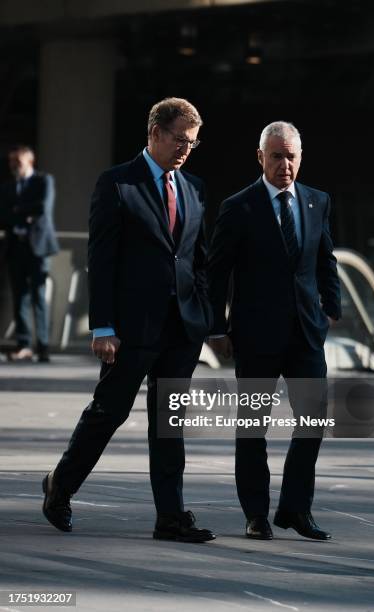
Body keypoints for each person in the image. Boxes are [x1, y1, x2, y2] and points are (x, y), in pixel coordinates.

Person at [41, 97, 215, 543]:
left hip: (181, 329)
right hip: (131, 329)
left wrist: (205, 318)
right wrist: (102, 326)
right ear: (154, 133)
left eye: (192, 143)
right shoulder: (118, 184)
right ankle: (60, 487)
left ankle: (171, 517)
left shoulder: (193, 187)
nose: (185, 149)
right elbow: (102, 260)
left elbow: (196, 259)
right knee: (108, 412)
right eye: (179, 140)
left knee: (169, 420)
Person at [207, 121, 341, 541]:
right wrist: (216, 327)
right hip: (255, 335)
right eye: (277, 156)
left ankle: (296, 509)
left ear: (301, 158)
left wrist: (331, 308)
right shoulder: (239, 207)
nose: (285, 164)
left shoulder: (318, 201)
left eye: (292, 156)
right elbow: (217, 272)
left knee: (312, 423)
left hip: (305, 333)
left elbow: (325, 259)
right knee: (252, 428)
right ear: (261, 157)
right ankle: (256, 515)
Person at [0, 145, 59, 362]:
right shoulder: (7, 187)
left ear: (30, 162)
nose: (14, 167)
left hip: (38, 249)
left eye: (18, 163)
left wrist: (16, 210)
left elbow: (43, 208)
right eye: (11, 163)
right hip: (16, 248)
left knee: (38, 298)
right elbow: (3, 213)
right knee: (20, 298)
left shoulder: (44, 181)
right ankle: (24, 345)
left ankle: (43, 346)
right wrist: (25, 213)